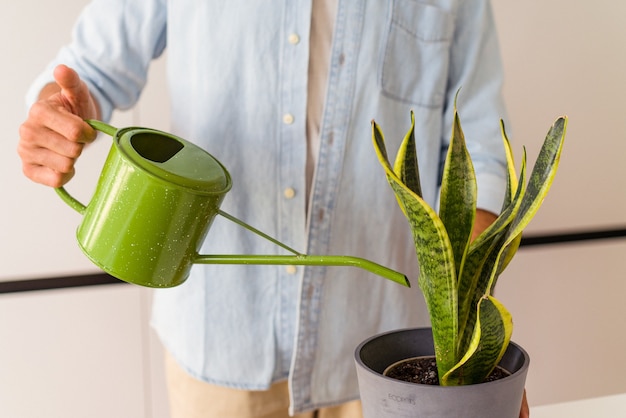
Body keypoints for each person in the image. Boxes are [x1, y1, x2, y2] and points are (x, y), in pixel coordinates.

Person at [18, 1, 529, 417]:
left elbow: (479, 157)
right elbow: (89, 72)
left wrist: (475, 351)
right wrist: (56, 112)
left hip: (385, 359)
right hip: (220, 345)